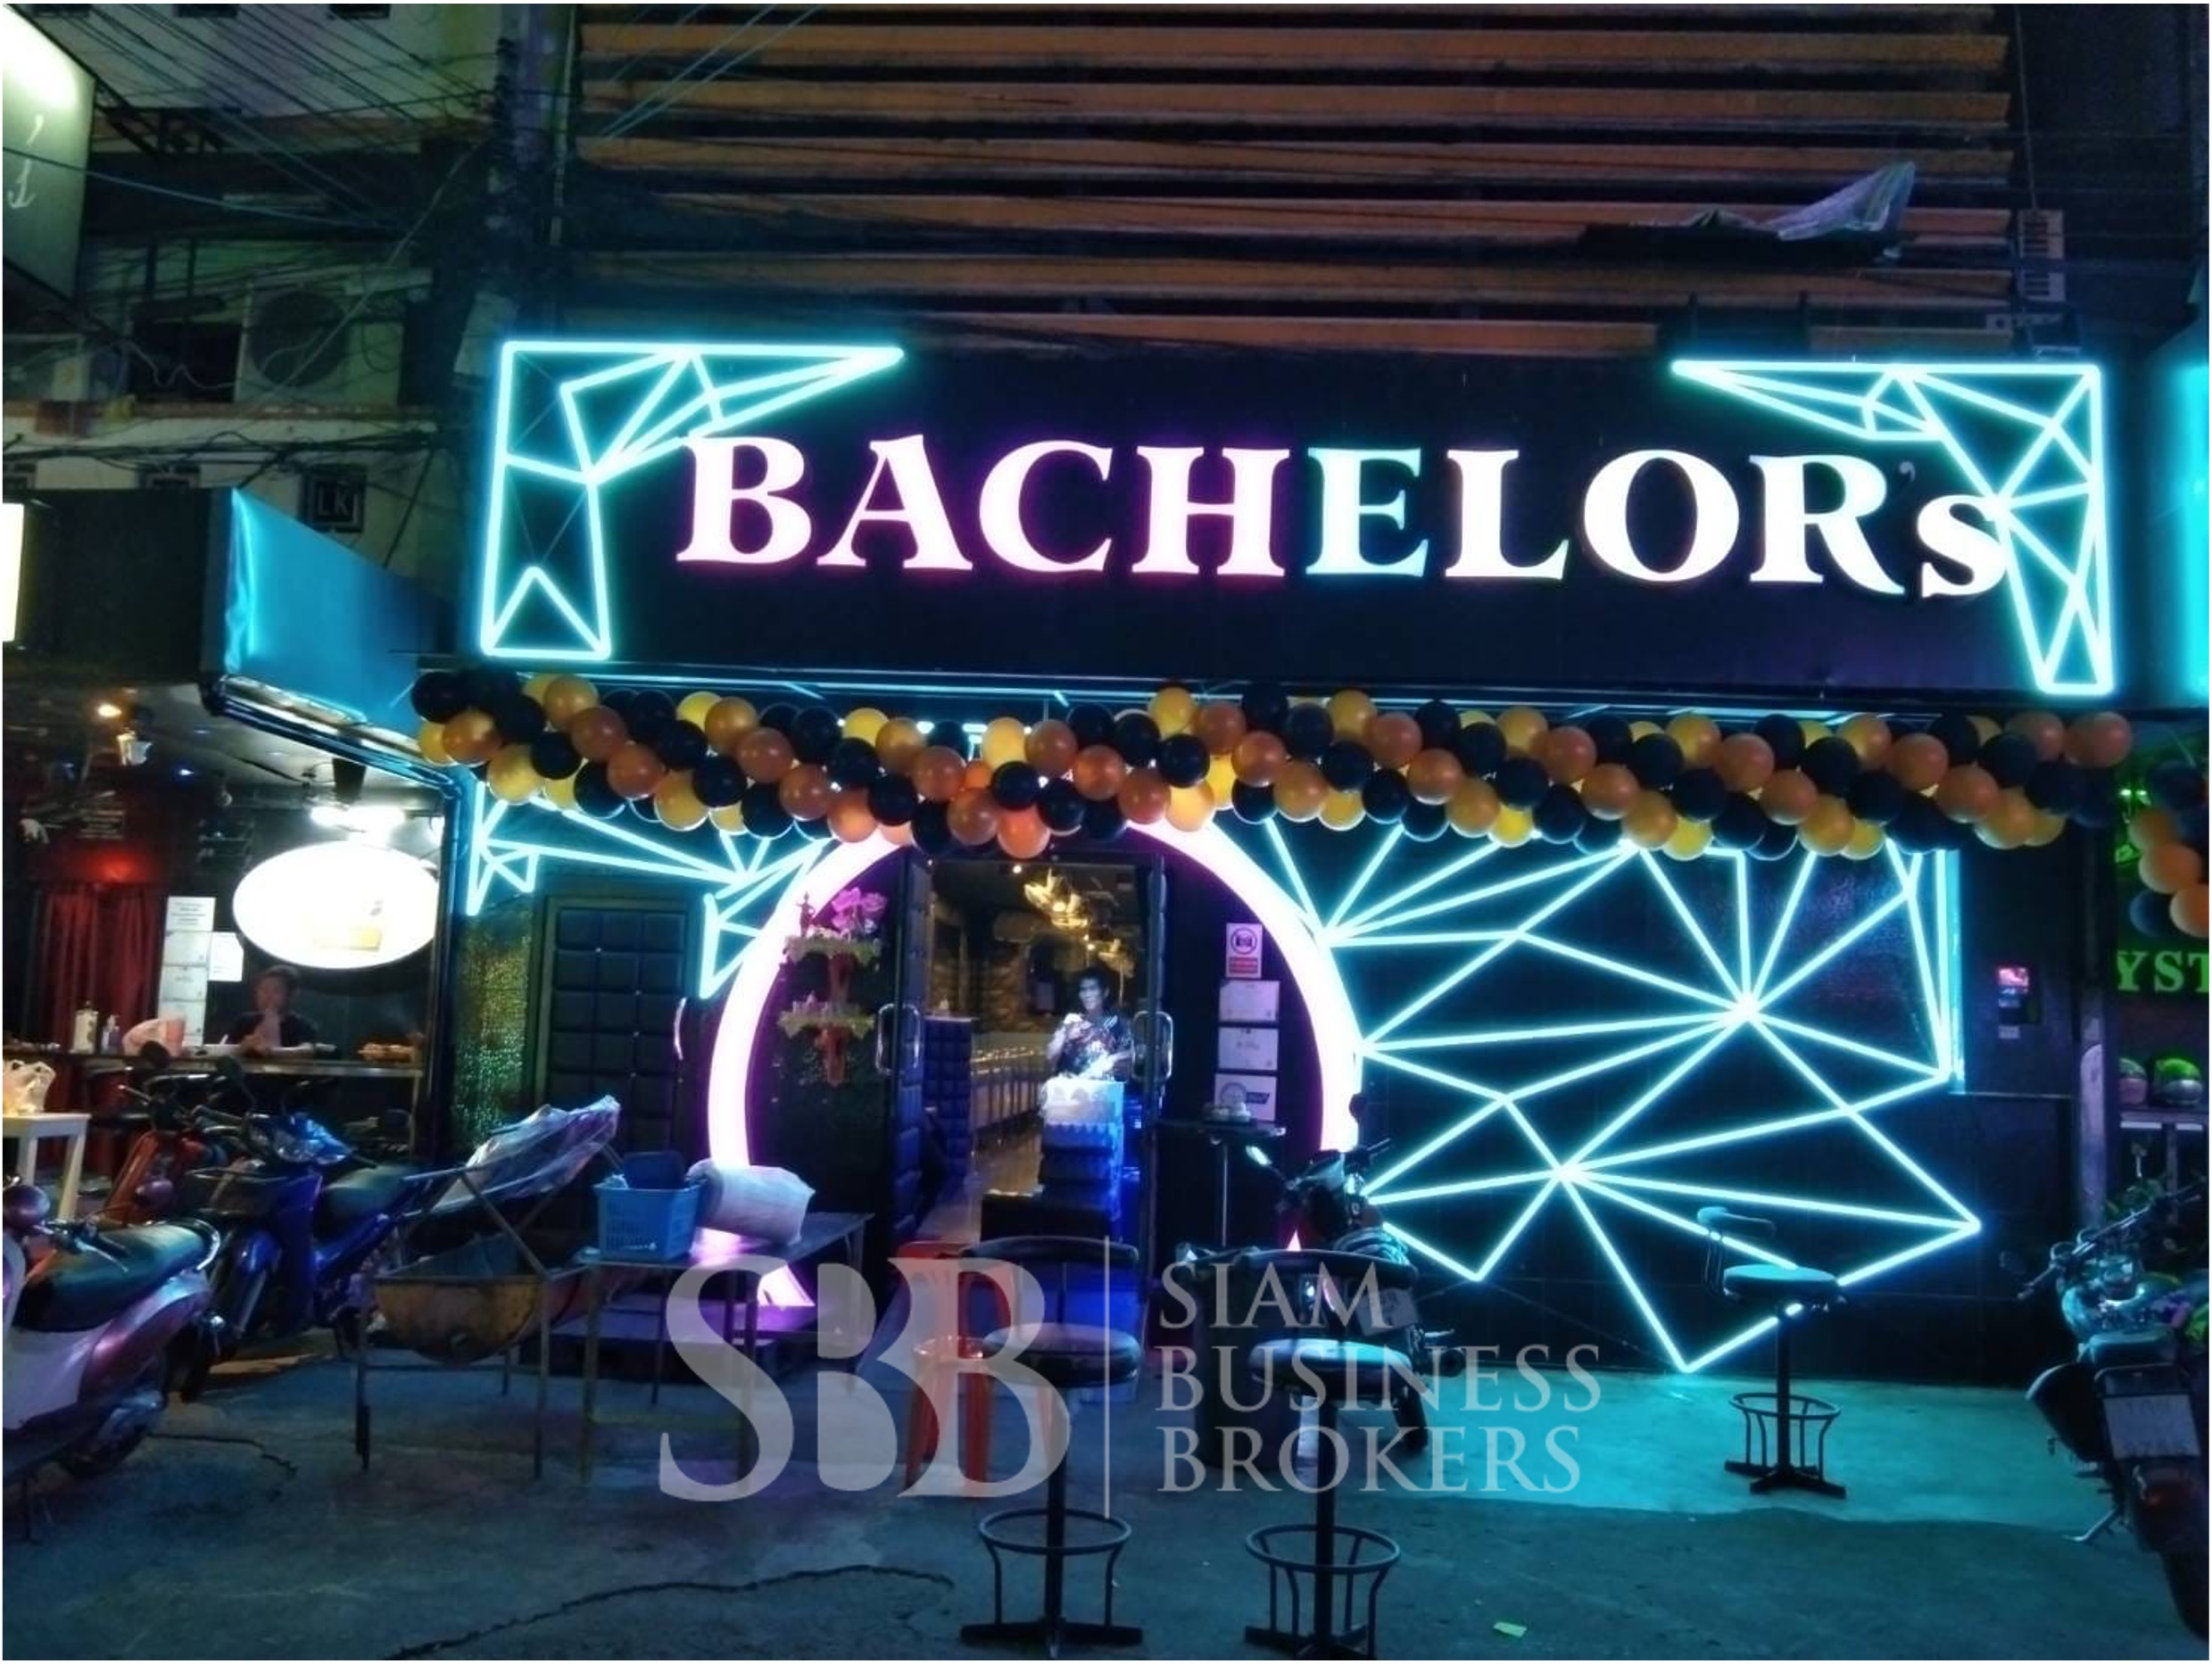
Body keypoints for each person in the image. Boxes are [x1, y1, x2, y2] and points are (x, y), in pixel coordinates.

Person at [1045, 964, 1132, 1080]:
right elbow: (1050, 1060)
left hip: (1101, 1088)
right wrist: (1064, 1032)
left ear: (1105, 992)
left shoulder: (1117, 1023)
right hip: (1068, 1087)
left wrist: (1110, 1061)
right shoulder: (1072, 1021)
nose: (1087, 995)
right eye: (1083, 990)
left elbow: (1129, 1056)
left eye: (1092, 989)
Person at [222, 965, 320, 1056]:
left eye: (276, 990)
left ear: (292, 995)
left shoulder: (304, 1026)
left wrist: (273, 1051)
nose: (268, 996)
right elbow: (223, 1051)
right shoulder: (244, 1021)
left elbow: (307, 1050)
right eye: (263, 990)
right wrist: (243, 1047)